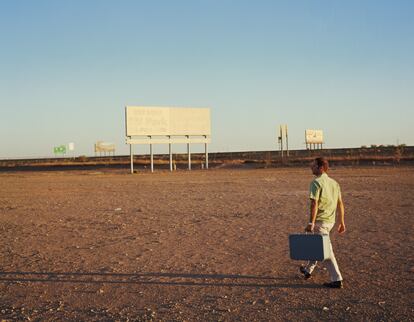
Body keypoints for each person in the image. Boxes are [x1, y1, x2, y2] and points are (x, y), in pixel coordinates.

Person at [300, 157, 346, 288]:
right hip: (330, 221)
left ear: (320, 167)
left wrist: (311, 223)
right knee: (318, 245)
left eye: (313, 165)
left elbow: (314, 203)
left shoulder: (316, 182)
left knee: (326, 251)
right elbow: (340, 204)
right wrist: (342, 222)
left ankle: (337, 279)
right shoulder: (334, 183)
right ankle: (308, 270)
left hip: (321, 221)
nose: (311, 167)